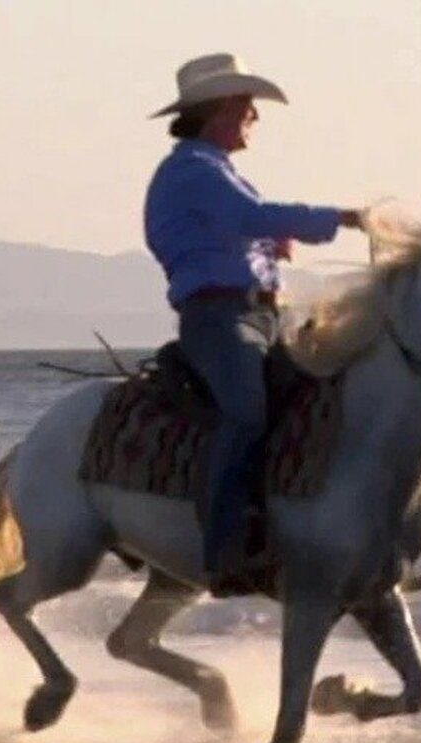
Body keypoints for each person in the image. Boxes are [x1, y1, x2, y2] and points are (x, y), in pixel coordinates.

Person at [142, 52, 362, 589]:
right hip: (219, 319)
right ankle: (221, 552)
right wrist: (342, 218)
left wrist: (269, 244)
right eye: (246, 107)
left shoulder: (215, 172)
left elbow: (242, 228)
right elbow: (248, 218)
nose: (254, 119)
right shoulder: (193, 170)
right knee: (245, 414)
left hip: (259, 313)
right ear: (219, 110)